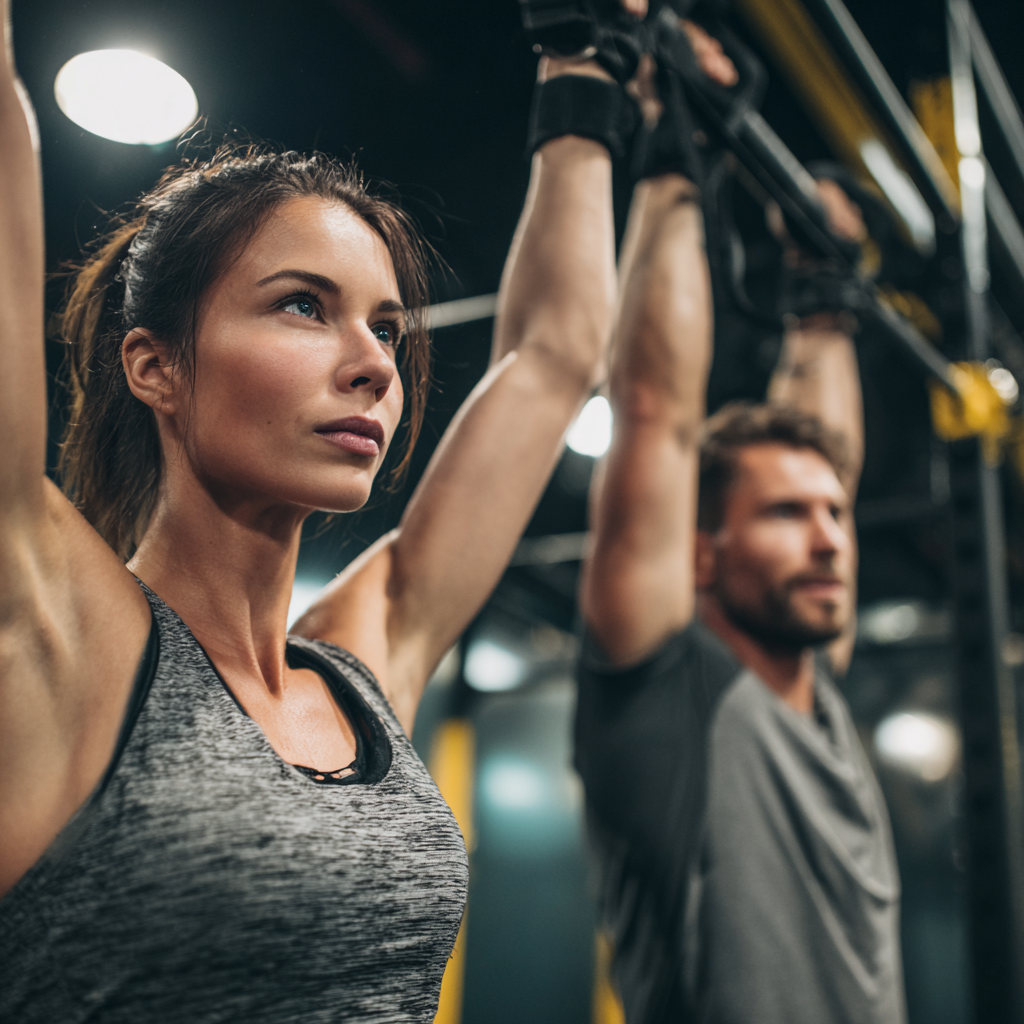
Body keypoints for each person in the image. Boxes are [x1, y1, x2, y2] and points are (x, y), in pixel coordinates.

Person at [0, 0, 618, 1016]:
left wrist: (580, 59)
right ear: (156, 366)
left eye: (384, 324)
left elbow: (550, 359)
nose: (375, 361)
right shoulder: (64, 640)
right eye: (303, 305)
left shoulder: (361, 670)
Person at [572, 17, 907, 1024]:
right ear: (700, 552)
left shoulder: (818, 688)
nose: (828, 538)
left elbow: (826, 456)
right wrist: (676, 157)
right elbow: (657, 420)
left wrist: (822, 307)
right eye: (786, 515)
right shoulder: (664, 697)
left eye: (833, 517)